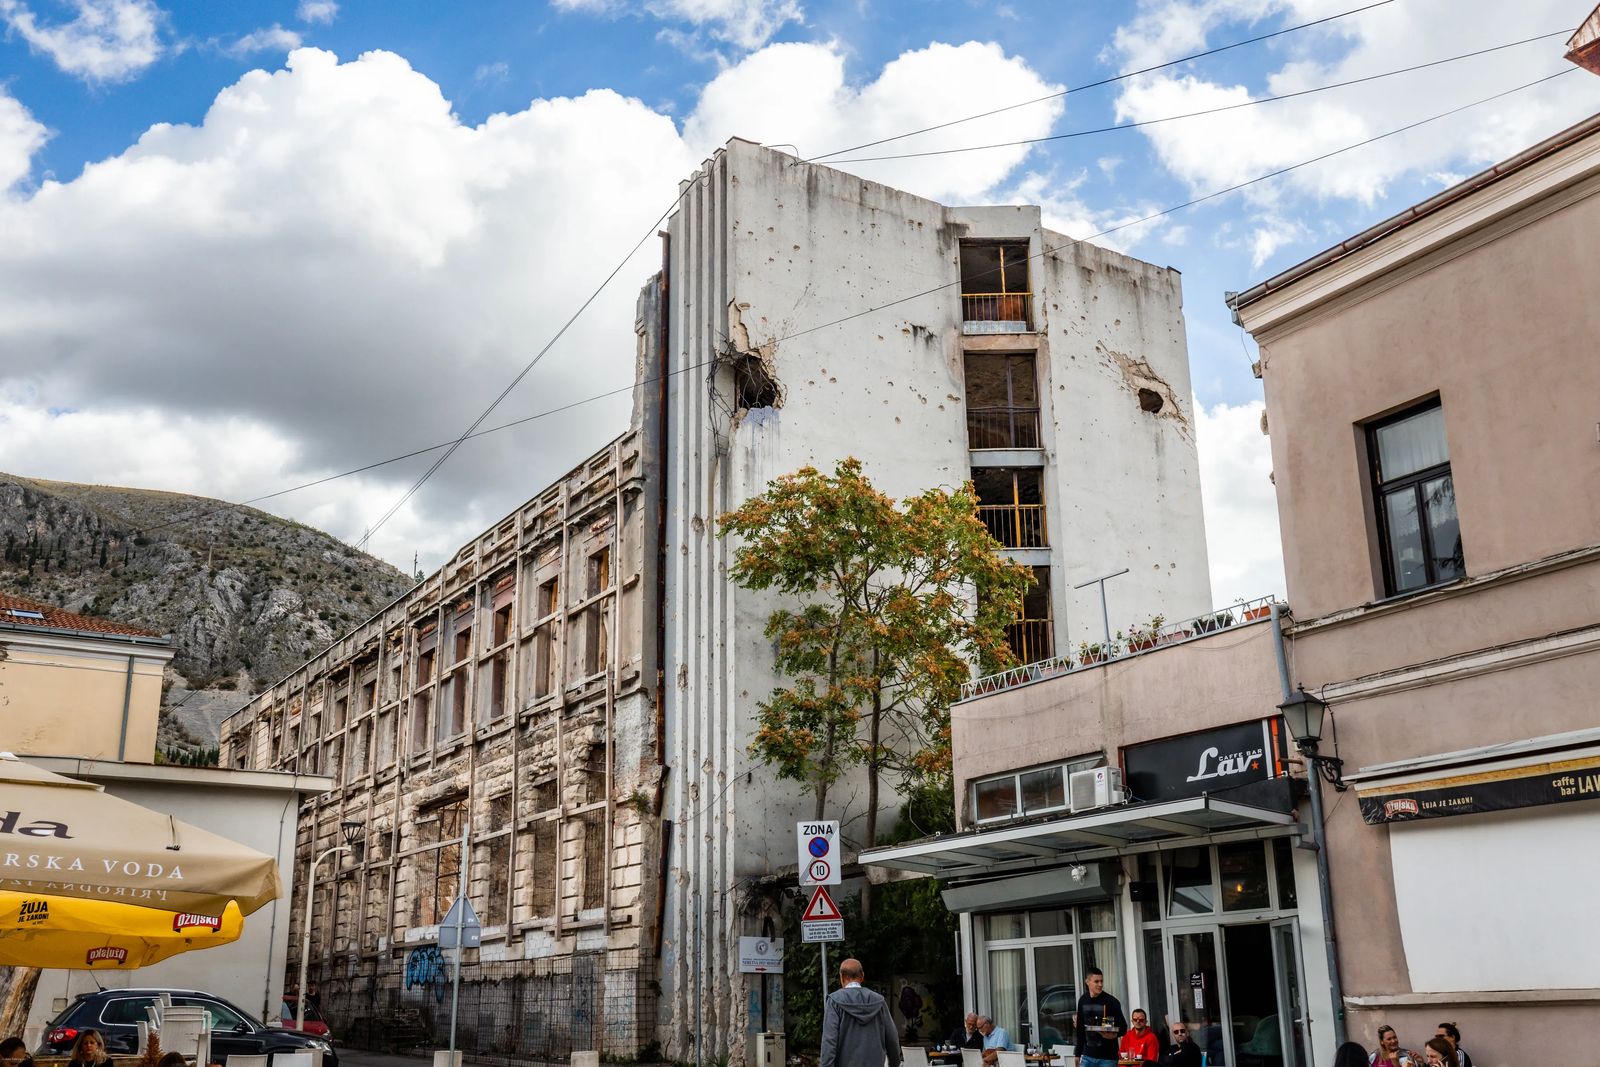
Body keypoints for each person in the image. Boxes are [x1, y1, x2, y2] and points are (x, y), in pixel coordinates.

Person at [820, 958, 901, 1067]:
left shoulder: (834, 1001)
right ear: (862, 976)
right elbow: (892, 1038)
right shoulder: (879, 1002)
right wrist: (894, 1064)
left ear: (842, 977)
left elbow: (829, 1042)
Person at [1073, 968, 1128, 1067]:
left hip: (1108, 1057)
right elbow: (1080, 1030)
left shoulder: (1112, 1002)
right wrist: (1077, 1053)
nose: (1100, 985)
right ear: (1087, 982)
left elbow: (1123, 1028)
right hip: (1087, 1055)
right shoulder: (1083, 1000)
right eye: (1096, 981)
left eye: (1101, 981)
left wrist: (1114, 1035)